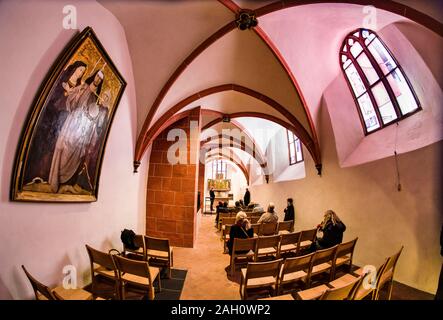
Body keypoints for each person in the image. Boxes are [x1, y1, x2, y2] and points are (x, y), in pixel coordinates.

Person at [48, 70, 105, 193]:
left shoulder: (96, 97)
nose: (97, 80)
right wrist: (81, 92)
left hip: (83, 128)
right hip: (73, 123)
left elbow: (93, 116)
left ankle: (68, 183)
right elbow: (73, 101)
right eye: (97, 77)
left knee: (76, 153)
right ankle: (58, 180)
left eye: (100, 80)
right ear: (93, 75)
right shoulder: (83, 87)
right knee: (65, 148)